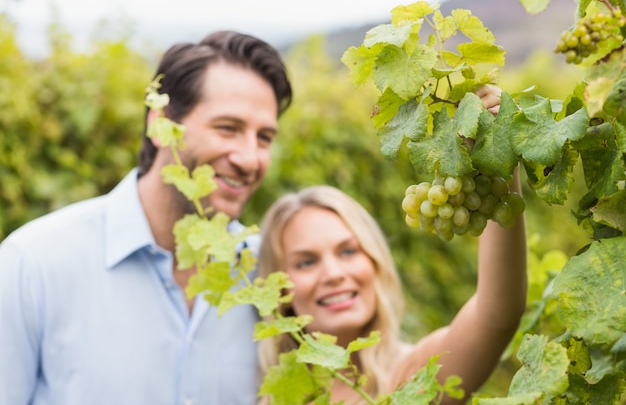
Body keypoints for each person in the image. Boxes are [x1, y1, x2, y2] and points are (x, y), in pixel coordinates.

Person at [0, 30, 292, 405]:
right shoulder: (33, 265)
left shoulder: (266, 274)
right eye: (228, 128)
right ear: (160, 125)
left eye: (264, 137)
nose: (250, 158)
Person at [256, 92, 527, 405]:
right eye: (306, 262)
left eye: (348, 251)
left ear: (375, 263)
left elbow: (496, 314)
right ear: (279, 288)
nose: (333, 274)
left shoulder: (414, 377)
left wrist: (495, 161)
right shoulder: (276, 397)